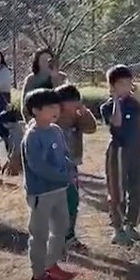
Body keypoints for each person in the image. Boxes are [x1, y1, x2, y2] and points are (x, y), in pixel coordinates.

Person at [21, 88, 77, 280]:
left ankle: (51, 265)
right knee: (40, 234)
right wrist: (64, 176)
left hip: (59, 190)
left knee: (61, 228)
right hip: (40, 193)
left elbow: (63, 156)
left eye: (57, 106)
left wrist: (71, 167)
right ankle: (38, 275)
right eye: (50, 106)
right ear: (36, 110)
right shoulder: (32, 137)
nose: (56, 110)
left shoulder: (56, 130)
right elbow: (39, 167)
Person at [99, 65, 140, 245]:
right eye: (120, 84)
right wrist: (116, 100)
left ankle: (131, 225)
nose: (125, 87)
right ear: (112, 87)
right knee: (118, 190)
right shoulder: (107, 107)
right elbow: (116, 122)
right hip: (119, 149)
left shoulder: (135, 103)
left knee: (138, 187)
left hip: (137, 149)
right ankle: (118, 229)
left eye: (128, 83)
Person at [55, 84, 98, 251]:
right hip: (55, 168)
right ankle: (58, 236)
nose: (77, 107)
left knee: (72, 202)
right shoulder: (54, 119)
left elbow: (91, 128)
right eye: (74, 103)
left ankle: (69, 236)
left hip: (71, 167)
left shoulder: (78, 118)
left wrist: (84, 112)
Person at [21, 49, 69, 119]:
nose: (46, 63)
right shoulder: (31, 79)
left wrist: (55, 78)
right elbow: (26, 103)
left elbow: (66, 98)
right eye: (43, 60)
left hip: (59, 117)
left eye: (49, 60)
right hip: (37, 117)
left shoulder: (62, 77)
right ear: (37, 62)